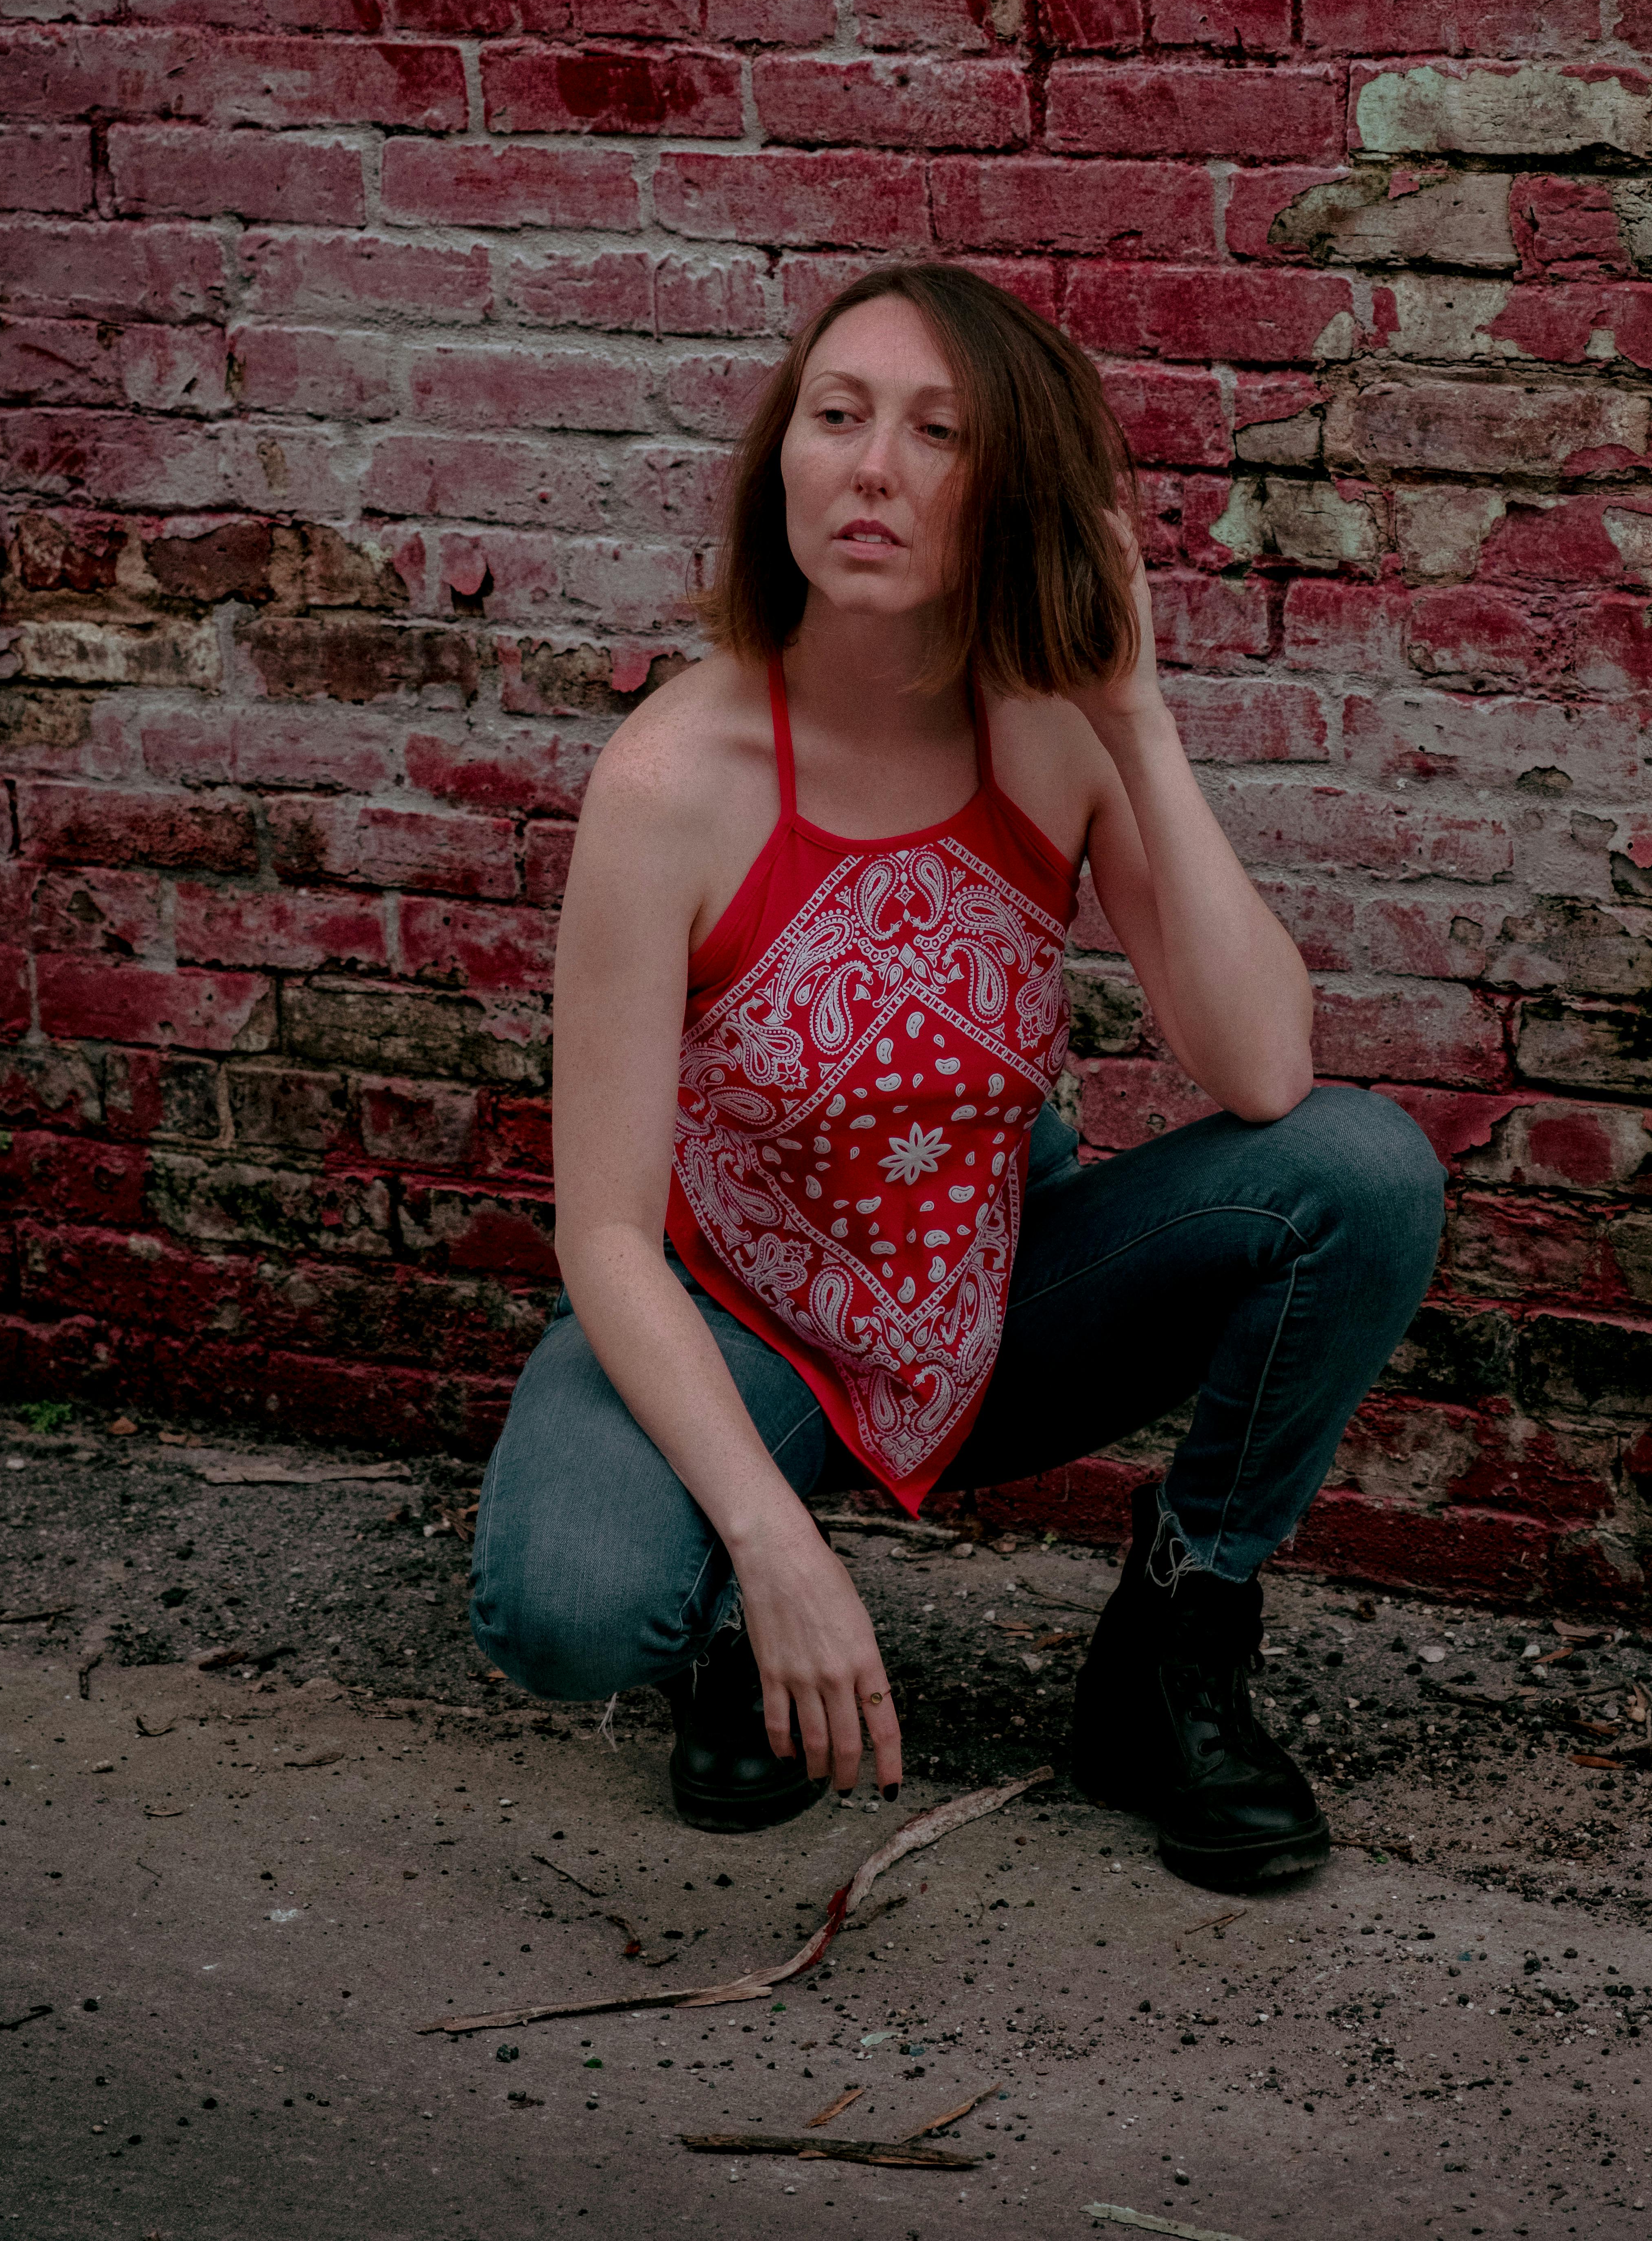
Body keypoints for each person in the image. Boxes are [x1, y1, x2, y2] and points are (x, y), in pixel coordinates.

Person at [470, 264, 1444, 1891]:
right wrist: (781, 1557)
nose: (871, 467)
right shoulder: (667, 782)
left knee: (1359, 1173)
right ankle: (728, 1620)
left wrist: (1133, 719)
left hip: (989, 1305)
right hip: (737, 1319)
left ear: (1014, 493)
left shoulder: (1051, 732)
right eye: (837, 418)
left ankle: (1170, 1654)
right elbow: (603, 1239)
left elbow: (1268, 1067)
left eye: (937, 433)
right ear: (781, 457)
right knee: (566, 1608)